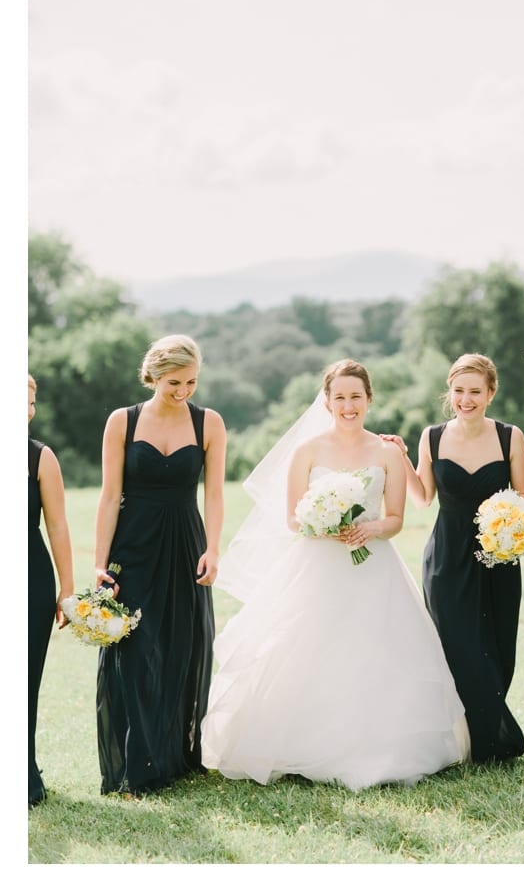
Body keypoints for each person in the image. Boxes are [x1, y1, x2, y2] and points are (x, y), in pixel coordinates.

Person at [202, 359, 467, 790]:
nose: (348, 405)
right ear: (326, 401)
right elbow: (292, 518)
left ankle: (380, 748)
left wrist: (372, 527)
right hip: (316, 567)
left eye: (356, 397)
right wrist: (324, 522)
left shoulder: (387, 453)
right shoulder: (307, 452)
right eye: (340, 397)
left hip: (374, 569)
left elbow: (397, 517)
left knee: (375, 652)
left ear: (368, 399)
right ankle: (298, 744)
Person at [93, 335, 224, 796]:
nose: (183, 390)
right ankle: (136, 766)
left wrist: (212, 549)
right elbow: (109, 496)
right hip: (134, 546)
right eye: (173, 382)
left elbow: (214, 493)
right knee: (134, 649)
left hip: (187, 544)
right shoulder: (121, 422)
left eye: (190, 381)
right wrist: (99, 563)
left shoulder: (209, 422)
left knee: (180, 646)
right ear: (152, 376)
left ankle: (173, 757)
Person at [385, 353, 524, 761]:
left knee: (499, 647)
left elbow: (522, 499)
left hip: (498, 554)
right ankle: (480, 741)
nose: (466, 399)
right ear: (450, 392)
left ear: (490, 393)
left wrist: (506, 529)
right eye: (459, 391)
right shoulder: (431, 437)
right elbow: (423, 497)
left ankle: (485, 727)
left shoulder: (510, 437)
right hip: (447, 556)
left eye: (475, 392)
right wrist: (401, 459)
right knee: (459, 646)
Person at [28, 375, 74, 806]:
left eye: (31, 401)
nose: (27, 409)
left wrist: (68, 589)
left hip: (30, 579)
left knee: (24, 679)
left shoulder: (40, 457)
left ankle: (23, 771)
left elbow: (57, 525)